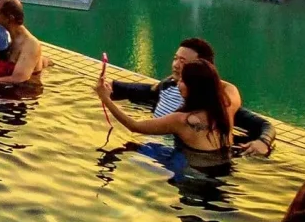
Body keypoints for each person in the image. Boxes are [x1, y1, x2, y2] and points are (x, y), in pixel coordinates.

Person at [106, 37, 277, 158]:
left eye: (184, 62)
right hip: (160, 145)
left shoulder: (219, 105)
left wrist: (263, 141)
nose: (176, 65)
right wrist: (112, 86)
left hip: (182, 157)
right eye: (175, 59)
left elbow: (263, 124)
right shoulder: (168, 86)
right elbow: (143, 91)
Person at [98, 56, 234, 157]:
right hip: (225, 165)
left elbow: (134, 126)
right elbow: (228, 86)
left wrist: (106, 98)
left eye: (182, 80)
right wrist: (204, 77)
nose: (177, 83)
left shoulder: (182, 120)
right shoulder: (227, 106)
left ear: (194, 87)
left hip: (193, 176)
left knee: (133, 152)